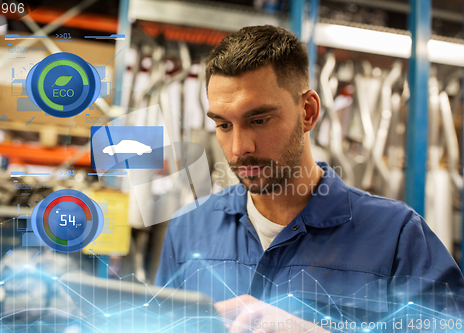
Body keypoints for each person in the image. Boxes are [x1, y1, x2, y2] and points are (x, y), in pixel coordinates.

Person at [155, 25, 464, 332]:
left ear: (308, 112)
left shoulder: (397, 238)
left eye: (259, 120)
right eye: (224, 125)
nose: (239, 148)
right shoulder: (188, 228)